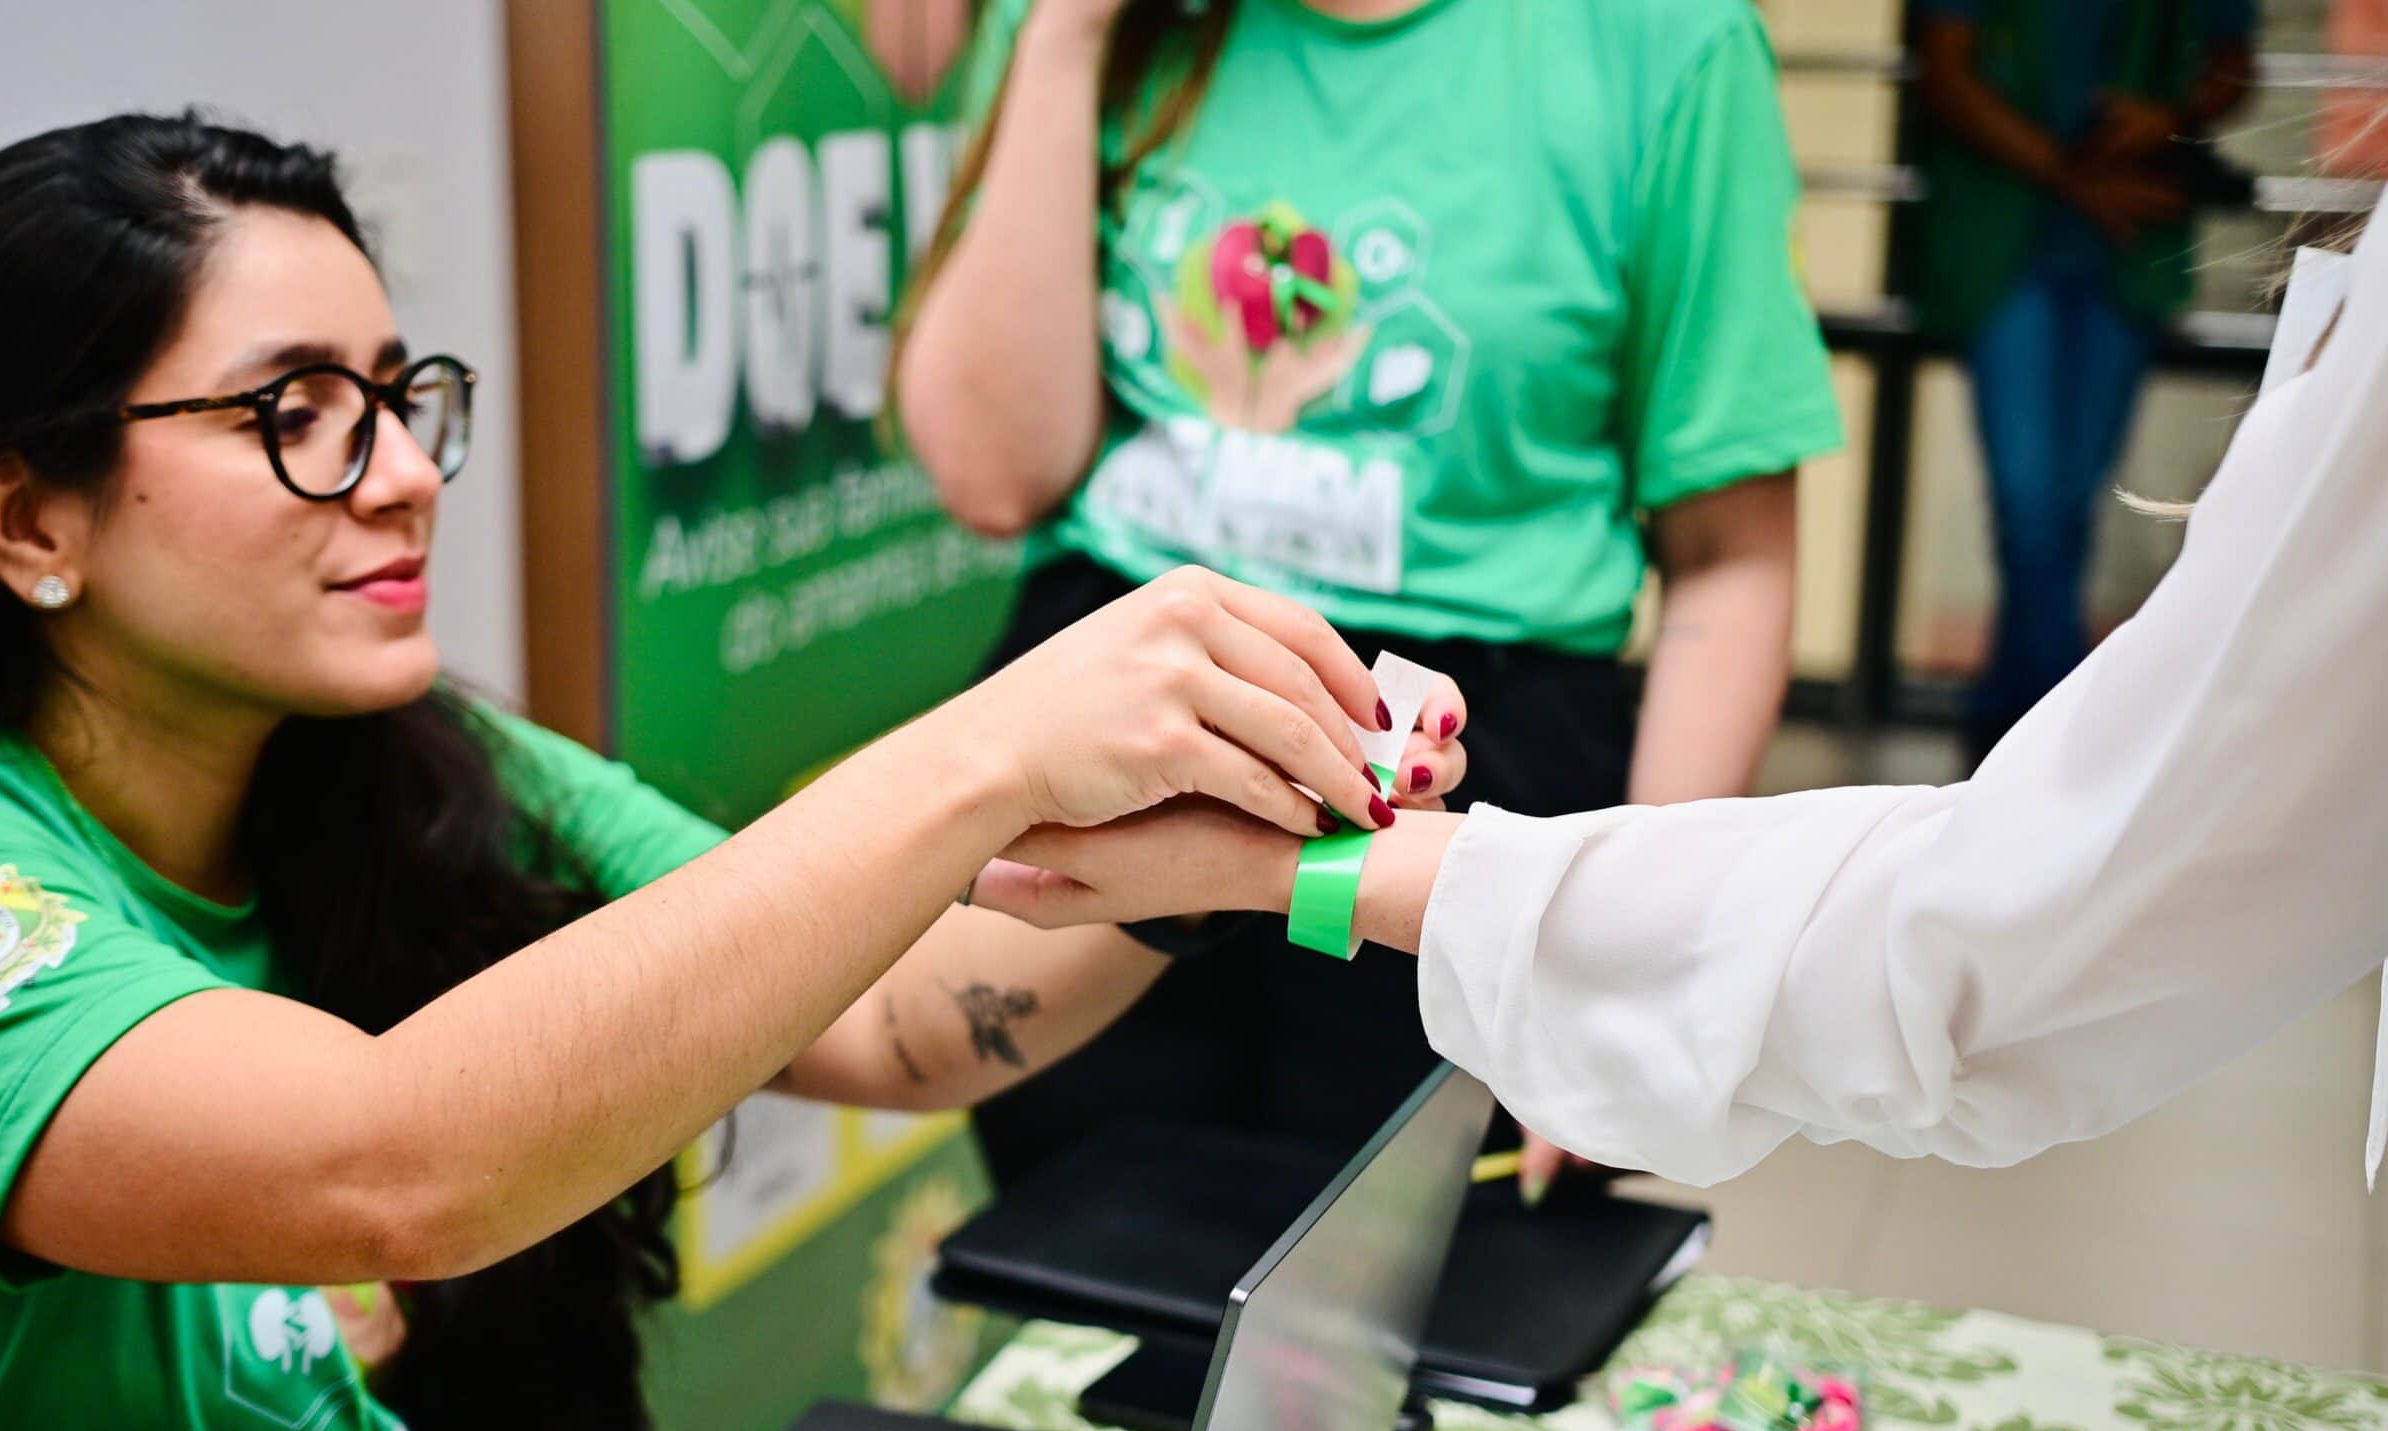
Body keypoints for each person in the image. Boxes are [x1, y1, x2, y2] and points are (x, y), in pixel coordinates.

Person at [0, 113, 1466, 1431]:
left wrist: (1224, 843)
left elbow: (892, 1013)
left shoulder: (425, 775)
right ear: (29, 516)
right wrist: (991, 751)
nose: (404, 473)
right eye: (297, 411)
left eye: (399, 397)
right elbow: (388, 1164)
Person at [973, 200, 2388, 1196]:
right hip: (1192, 811)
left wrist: (1297, 865)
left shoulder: (1654, 45)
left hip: (1402, 814)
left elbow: (2013, 929)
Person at [892, 0, 1843, 1183]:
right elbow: (990, 478)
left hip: (1462, 765)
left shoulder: (1658, 41)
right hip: (1117, 732)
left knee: (1421, 1264)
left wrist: (1627, 958)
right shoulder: (1095, 26)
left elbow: (1728, 561)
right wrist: (1064, 38)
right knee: (1078, 1240)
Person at [1914, 0, 2257, 761]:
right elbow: (1945, 69)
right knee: (2033, 509)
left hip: (2129, 253)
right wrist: (2074, 177)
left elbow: (2235, 60)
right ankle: (2059, 751)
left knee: (2064, 513)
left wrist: (2164, 118)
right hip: (2005, 247)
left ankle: (2008, 736)